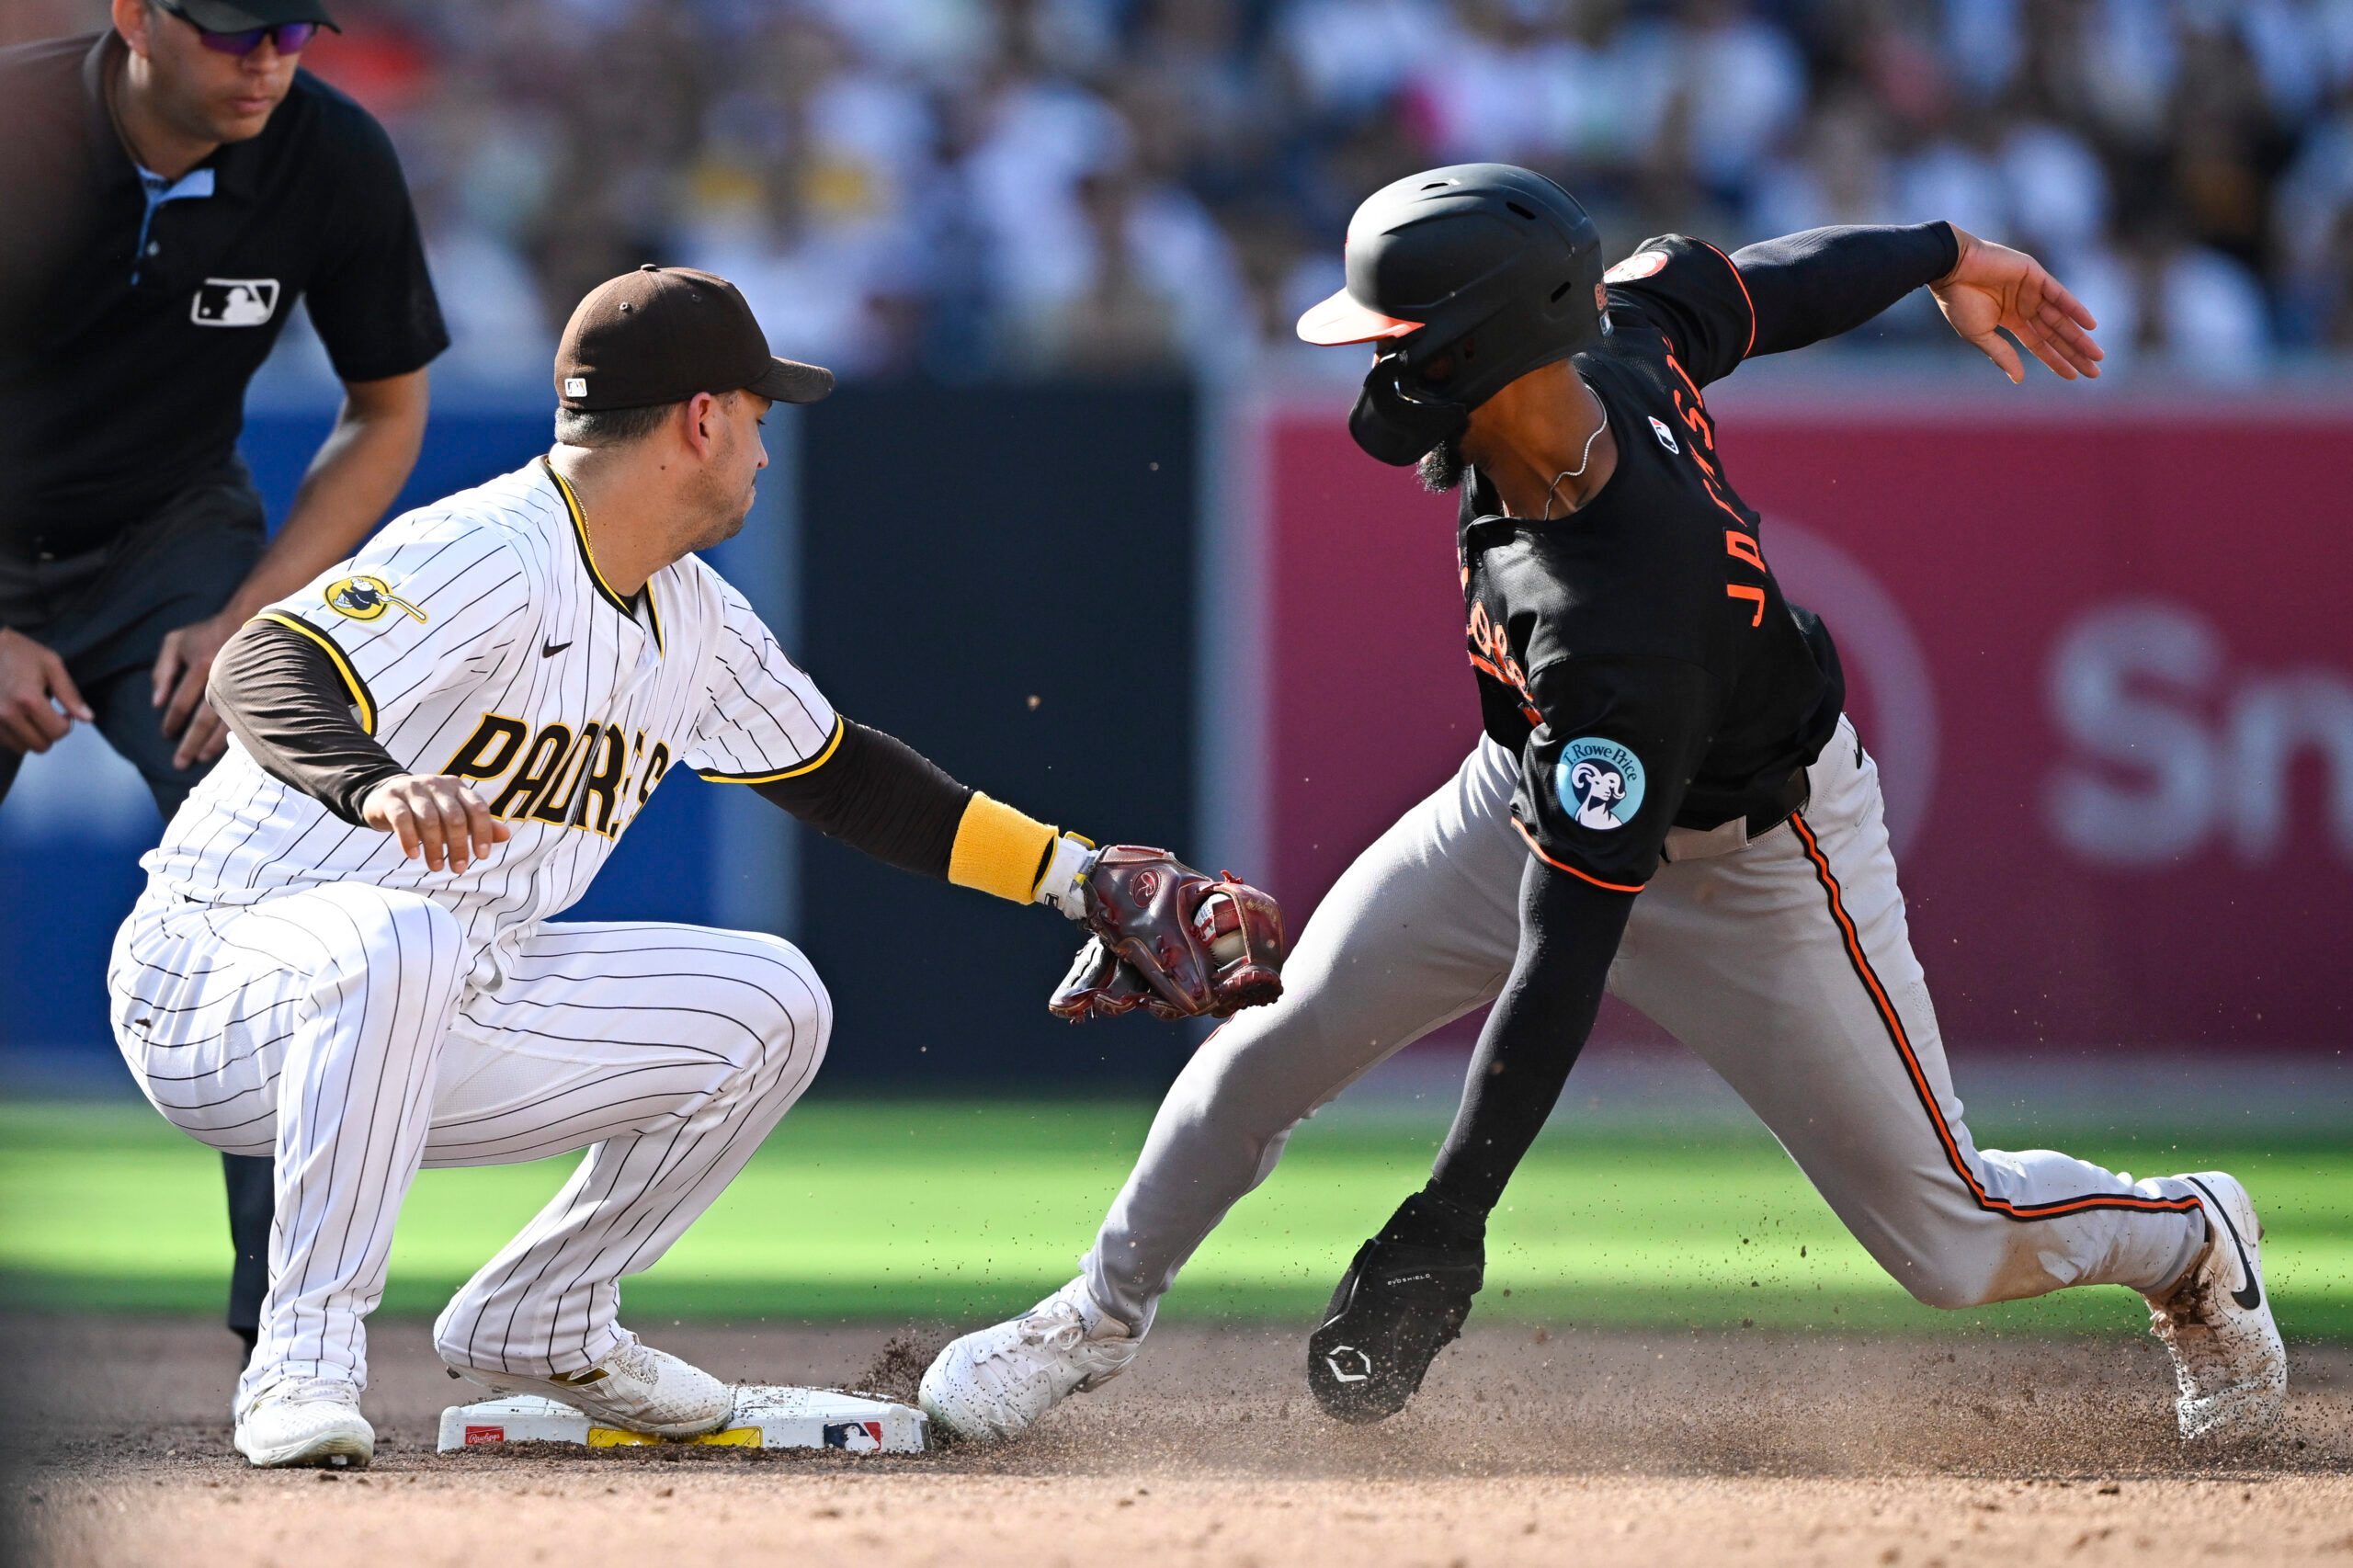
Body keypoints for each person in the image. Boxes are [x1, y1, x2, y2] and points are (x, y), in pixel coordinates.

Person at [918, 165, 2286, 1449]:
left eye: (1392, 337)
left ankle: (2191, 1236)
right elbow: (1769, 283)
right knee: (1279, 1037)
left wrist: (1448, 1220)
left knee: (1956, 1237)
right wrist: (1946, 254)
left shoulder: (1620, 613)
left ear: (1474, 345)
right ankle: (1090, 1315)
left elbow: (1563, 955)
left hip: (1756, 862)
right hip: (1525, 790)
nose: (1374, 365)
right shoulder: (1614, 335)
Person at [105, 264, 1276, 1469]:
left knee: (771, 1000)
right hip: (221, 976)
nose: (766, 451)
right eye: (759, 417)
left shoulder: (695, 618)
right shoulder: (494, 547)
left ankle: (543, 1315)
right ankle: (301, 1362)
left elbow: (842, 775)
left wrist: (1076, 878)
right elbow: (260, 665)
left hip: (446, 993)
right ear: (701, 418)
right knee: (399, 936)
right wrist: (375, 782)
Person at [0, 0, 445, 1362]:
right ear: (135, 13)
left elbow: (387, 412)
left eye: (294, 31)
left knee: (285, 855)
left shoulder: (330, 156)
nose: (268, 62)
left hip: (171, 541)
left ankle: (294, 1321)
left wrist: (253, 616)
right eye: (236, 30)